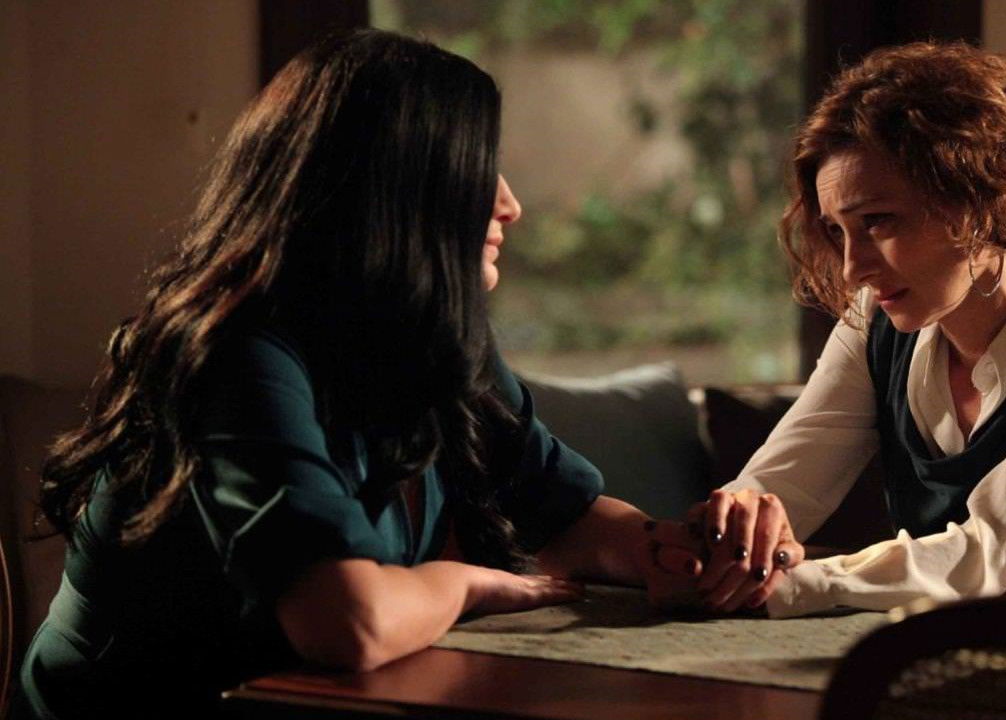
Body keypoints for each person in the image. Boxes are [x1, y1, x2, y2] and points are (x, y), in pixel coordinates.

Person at [16, 29, 697, 719]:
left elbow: (564, 515)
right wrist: (462, 585)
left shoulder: (431, 340)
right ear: (396, 189)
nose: (509, 204)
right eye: (478, 168)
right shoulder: (236, 354)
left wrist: (680, 555)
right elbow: (349, 623)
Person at [658, 41, 1006, 617]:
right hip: (959, 651)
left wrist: (784, 585)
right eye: (837, 231)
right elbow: (780, 491)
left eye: (879, 222)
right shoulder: (876, 327)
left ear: (978, 197)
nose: (852, 269)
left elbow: (1003, 552)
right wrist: (734, 536)